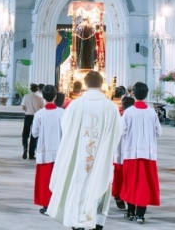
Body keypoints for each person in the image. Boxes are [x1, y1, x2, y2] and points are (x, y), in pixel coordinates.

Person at [47, 71, 123, 230]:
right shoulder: (111, 107)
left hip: (78, 156)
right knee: (98, 183)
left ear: (85, 84)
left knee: (76, 183)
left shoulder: (75, 105)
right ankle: (95, 221)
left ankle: (76, 221)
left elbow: (66, 127)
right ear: (102, 84)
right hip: (100, 156)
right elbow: (117, 132)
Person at [120, 82, 162, 224]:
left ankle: (130, 212)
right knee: (144, 184)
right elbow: (159, 132)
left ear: (133, 94)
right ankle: (140, 215)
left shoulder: (128, 112)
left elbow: (122, 132)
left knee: (131, 182)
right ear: (146, 94)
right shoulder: (152, 113)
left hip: (131, 152)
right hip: (148, 154)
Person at [32, 84, 63, 214]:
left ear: (43, 97)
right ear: (55, 96)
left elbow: (34, 133)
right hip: (60, 151)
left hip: (44, 151)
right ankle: (59, 205)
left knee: (45, 179)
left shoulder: (39, 114)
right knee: (60, 179)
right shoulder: (62, 113)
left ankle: (46, 205)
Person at [112, 95, 135, 210]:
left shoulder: (119, 118)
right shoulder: (135, 118)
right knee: (129, 176)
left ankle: (118, 195)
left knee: (118, 175)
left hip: (119, 153)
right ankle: (126, 196)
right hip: (131, 153)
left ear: (122, 105)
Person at [21, 83, 44, 159]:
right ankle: (31, 153)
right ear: (37, 89)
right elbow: (42, 108)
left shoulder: (26, 96)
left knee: (25, 134)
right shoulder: (39, 98)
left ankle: (25, 148)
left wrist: (27, 109)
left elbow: (23, 107)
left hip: (27, 116)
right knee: (34, 135)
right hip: (35, 116)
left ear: (30, 89)